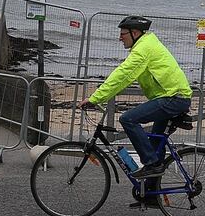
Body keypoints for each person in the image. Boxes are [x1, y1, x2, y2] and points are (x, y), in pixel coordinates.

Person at [80, 16, 192, 185]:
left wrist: (96, 98)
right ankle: (151, 194)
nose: (120, 37)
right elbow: (124, 78)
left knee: (128, 119)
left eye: (123, 34)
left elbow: (122, 75)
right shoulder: (146, 45)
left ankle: (151, 164)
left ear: (135, 33)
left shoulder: (143, 49)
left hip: (173, 98)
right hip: (170, 97)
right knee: (155, 147)